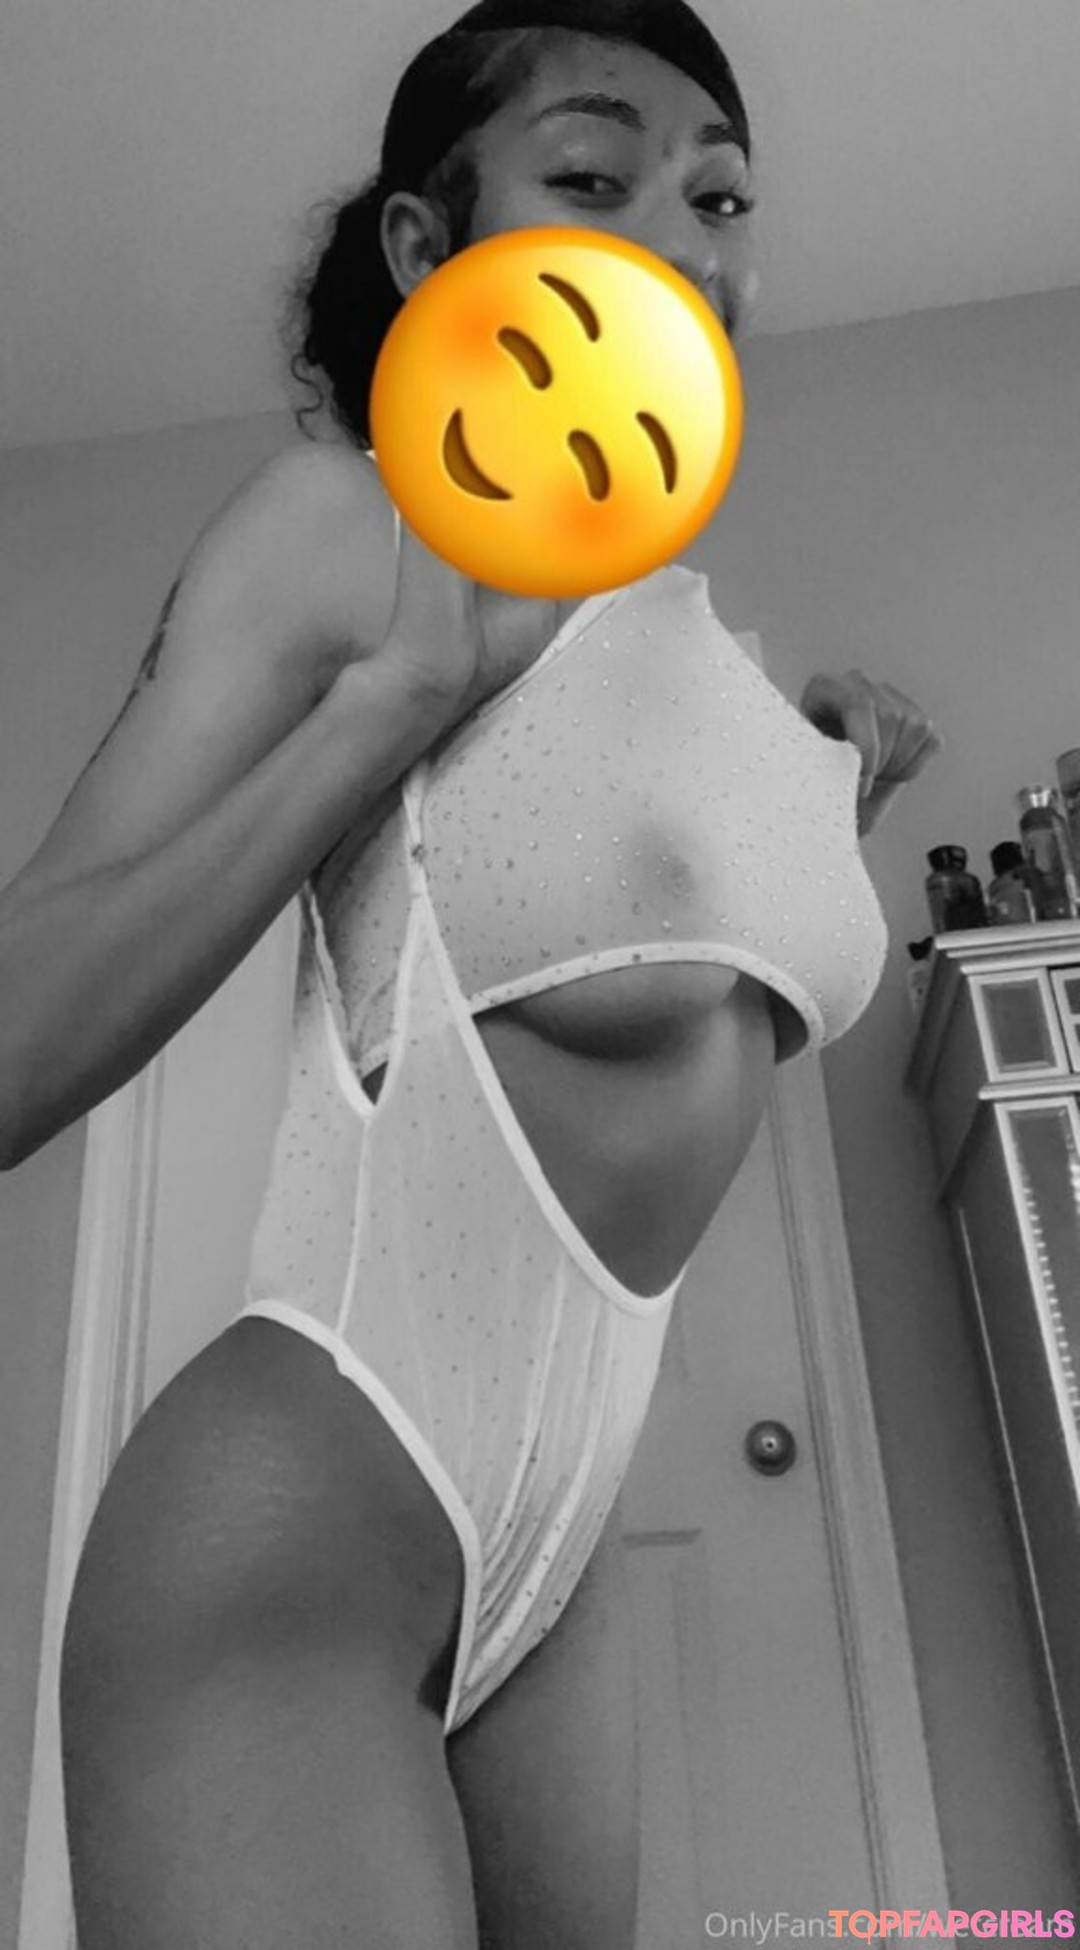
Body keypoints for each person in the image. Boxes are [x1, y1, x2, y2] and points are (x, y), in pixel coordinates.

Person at [1, 2, 941, 1944]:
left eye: (720, 197)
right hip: (298, 1523)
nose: (676, 238)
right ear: (432, 246)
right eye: (592, 176)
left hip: (561, 1560)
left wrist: (819, 795)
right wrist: (386, 707)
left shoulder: (710, 650)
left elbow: (614, 1004)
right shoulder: (348, 524)